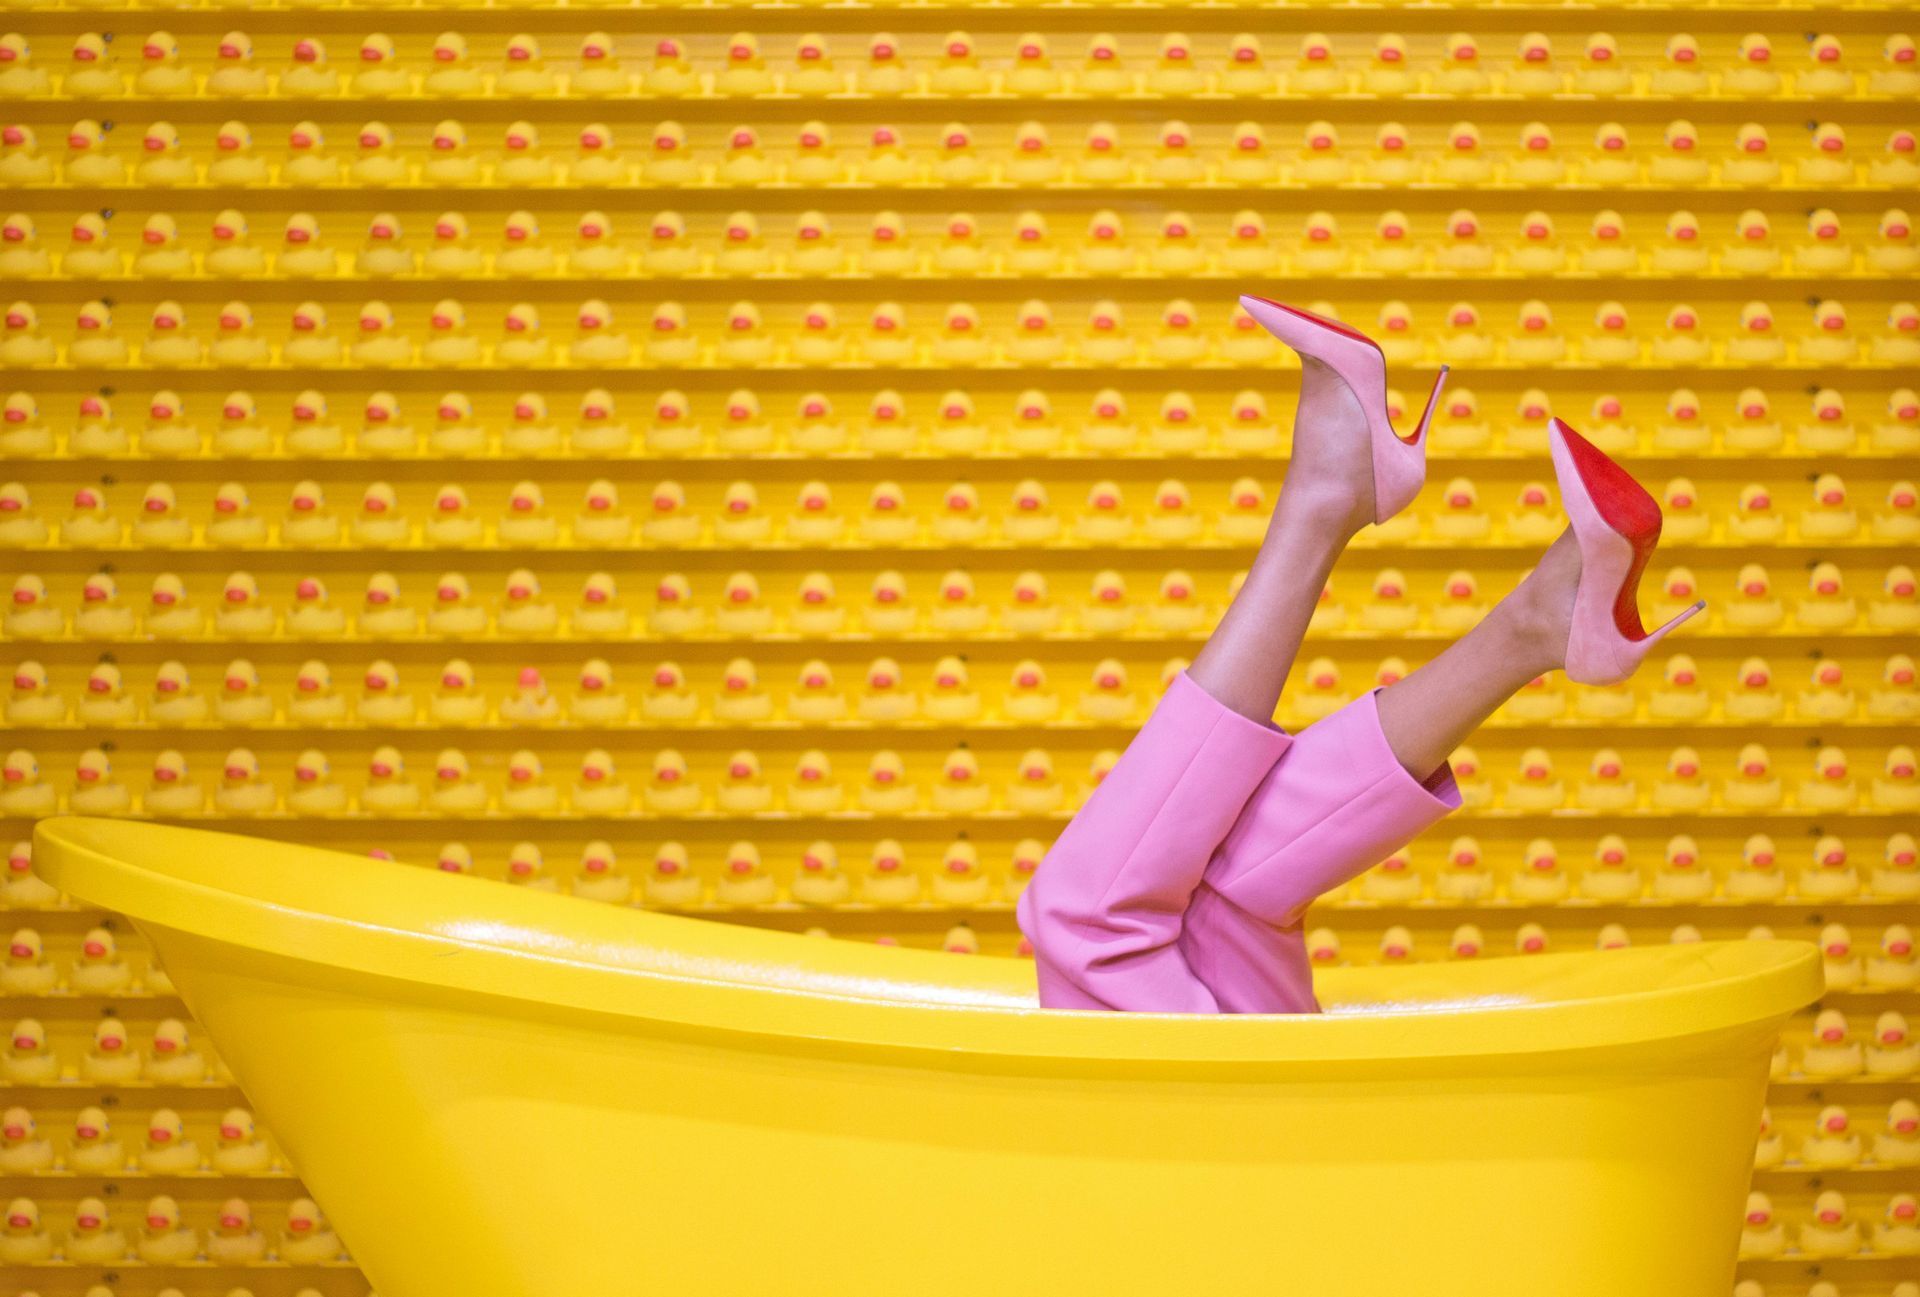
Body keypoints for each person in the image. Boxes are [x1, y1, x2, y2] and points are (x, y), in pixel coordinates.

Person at [1015, 295, 1705, 1013]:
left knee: (1237, 882)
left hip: (1245, 1074)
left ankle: (1535, 618)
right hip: (1246, 1090)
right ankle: (1339, 503)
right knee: (1085, 920)